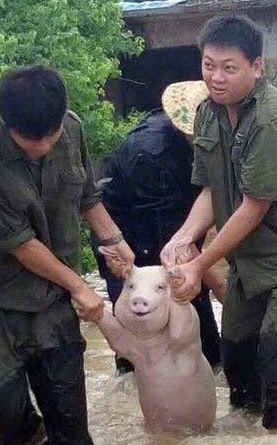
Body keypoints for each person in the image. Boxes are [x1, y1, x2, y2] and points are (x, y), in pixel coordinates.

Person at [160, 15, 277, 431]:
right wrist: (184, 237)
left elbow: (253, 206)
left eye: (229, 68)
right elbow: (212, 189)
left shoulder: (272, 120)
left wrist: (199, 265)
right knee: (240, 370)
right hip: (250, 263)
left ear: (257, 67)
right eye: (209, 65)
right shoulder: (208, 113)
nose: (215, 77)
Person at [0, 65, 134, 445]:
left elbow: (86, 195)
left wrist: (114, 239)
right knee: (4, 412)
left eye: (51, 134)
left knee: (72, 440)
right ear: (7, 124)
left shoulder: (71, 129)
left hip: (53, 294)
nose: (42, 145)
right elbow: (21, 244)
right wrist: (79, 285)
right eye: (29, 139)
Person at [93, 81, 224, 372]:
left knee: (199, 335)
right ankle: (129, 389)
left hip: (172, 230)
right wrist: (218, 284)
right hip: (129, 244)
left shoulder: (193, 144)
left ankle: (212, 375)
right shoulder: (151, 153)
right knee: (140, 335)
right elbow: (172, 242)